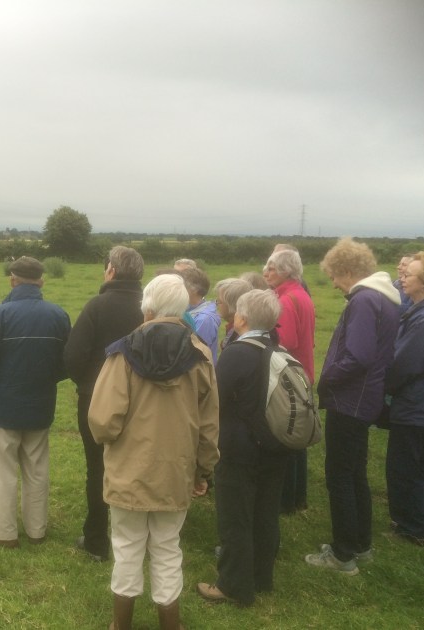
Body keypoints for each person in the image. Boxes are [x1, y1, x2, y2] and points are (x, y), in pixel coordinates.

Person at [89, 274, 219, 630]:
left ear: (147, 306)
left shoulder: (122, 353)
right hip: (176, 472)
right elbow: (209, 426)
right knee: (166, 548)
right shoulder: (201, 356)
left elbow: (102, 421)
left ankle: (121, 625)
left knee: (127, 548)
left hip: (128, 470)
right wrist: (203, 471)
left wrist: (117, 440)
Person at [304, 238, 400, 575]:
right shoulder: (385, 298)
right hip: (368, 399)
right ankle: (361, 543)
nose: (333, 283)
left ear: (347, 271)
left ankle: (342, 556)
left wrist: (328, 378)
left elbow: (358, 355)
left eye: (334, 276)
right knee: (356, 473)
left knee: (339, 476)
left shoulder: (363, 299)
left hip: (351, 400)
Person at [197, 289, 288, 607]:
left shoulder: (237, 352)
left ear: (242, 318)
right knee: (265, 513)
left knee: (235, 516)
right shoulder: (277, 348)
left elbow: (215, 400)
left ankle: (233, 585)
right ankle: (262, 577)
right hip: (275, 445)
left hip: (239, 449)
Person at [0, 256, 71, 547]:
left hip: (3, 406)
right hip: (40, 405)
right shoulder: (59, 315)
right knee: (37, 469)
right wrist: (46, 381)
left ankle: (2, 533)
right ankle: (36, 530)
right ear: (41, 281)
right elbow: (66, 362)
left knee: (4, 472)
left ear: (12, 280)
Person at [64, 246, 145, 562]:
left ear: (111, 270)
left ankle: (97, 540)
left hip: (96, 400)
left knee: (97, 467)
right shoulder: (150, 307)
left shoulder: (97, 306)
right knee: (137, 465)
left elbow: (73, 356)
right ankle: (137, 541)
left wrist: (88, 382)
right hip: (144, 402)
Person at [384, 250, 424, 546]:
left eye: (409, 275)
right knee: (420, 463)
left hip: (417, 402)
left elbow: (403, 365)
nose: (402, 279)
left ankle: (413, 527)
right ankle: (421, 520)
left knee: (407, 464)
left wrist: (383, 387)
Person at [263, 247, 316, 513]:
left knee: (286, 436)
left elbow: (285, 342)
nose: (266, 272)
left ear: (286, 271)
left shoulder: (285, 300)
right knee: (299, 439)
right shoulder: (301, 294)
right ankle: (298, 498)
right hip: (303, 372)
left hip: (289, 378)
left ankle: (285, 501)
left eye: (271, 268)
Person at [179, 267, 221, 362]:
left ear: (194, 290)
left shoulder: (204, 319)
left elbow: (196, 353)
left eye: (181, 285)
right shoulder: (188, 310)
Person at [214, 277, 253, 352]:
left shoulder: (241, 334)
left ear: (232, 305)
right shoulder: (239, 326)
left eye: (219, 301)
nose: (216, 304)